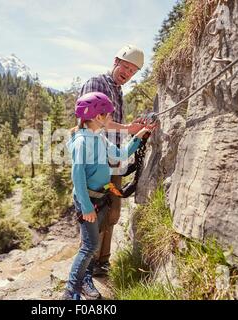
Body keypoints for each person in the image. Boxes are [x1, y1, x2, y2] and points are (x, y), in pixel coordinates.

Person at [62, 92, 151, 300]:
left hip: (99, 199)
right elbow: (78, 178)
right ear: (96, 117)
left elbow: (119, 155)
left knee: (92, 242)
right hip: (88, 201)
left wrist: (139, 137)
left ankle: (83, 281)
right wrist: (85, 207)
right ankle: (70, 291)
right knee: (89, 246)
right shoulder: (82, 142)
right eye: (108, 114)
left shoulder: (99, 137)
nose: (111, 118)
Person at [78, 44, 145, 276]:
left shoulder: (116, 90)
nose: (127, 73)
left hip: (112, 158)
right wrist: (129, 128)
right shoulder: (97, 84)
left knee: (113, 211)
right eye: (126, 67)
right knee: (96, 211)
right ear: (116, 61)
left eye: (133, 71)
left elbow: (112, 128)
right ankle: (88, 263)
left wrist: (133, 133)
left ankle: (101, 261)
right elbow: (95, 121)